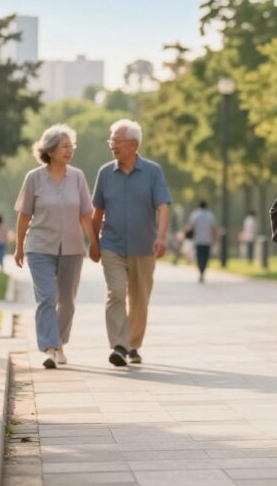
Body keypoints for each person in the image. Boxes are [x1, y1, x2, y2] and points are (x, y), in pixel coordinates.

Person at [14, 124, 99, 369]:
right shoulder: (34, 178)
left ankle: (60, 341)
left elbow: (85, 214)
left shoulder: (78, 177)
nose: (70, 150)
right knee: (47, 297)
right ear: (50, 150)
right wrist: (19, 247)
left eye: (71, 146)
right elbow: (24, 215)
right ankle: (50, 348)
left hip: (72, 247)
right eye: (64, 146)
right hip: (39, 246)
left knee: (68, 301)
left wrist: (94, 242)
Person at [90, 119, 171, 367]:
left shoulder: (153, 172)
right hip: (112, 245)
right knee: (115, 293)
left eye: (117, 141)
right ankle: (119, 345)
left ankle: (132, 344)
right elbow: (97, 212)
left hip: (143, 246)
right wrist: (93, 243)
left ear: (134, 145)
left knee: (139, 298)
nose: (112, 145)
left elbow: (163, 206)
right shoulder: (105, 173)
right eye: (111, 140)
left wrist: (161, 237)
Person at [184, 200, 218, 283]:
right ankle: (203, 271)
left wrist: (185, 232)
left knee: (199, 256)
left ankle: (200, 271)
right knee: (205, 256)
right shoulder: (210, 215)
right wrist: (214, 238)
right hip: (207, 240)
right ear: (206, 206)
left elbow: (190, 226)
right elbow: (213, 228)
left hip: (198, 239)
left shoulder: (195, 215)